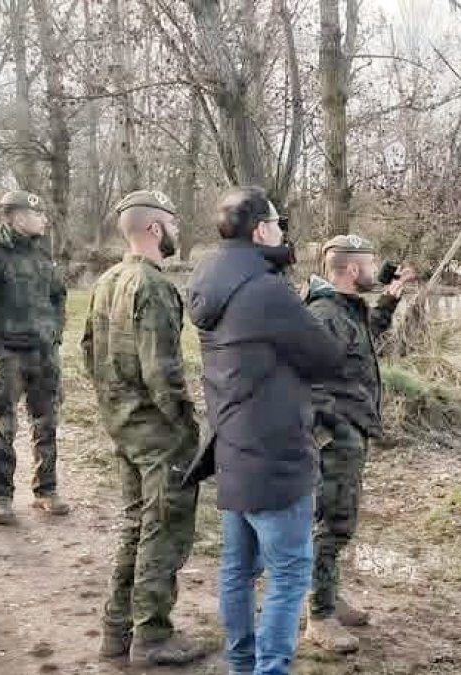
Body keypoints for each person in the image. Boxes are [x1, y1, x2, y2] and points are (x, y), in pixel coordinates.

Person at [183, 186, 343, 675]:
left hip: (232, 448)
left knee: (236, 571)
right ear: (260, 230)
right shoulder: (266, 290)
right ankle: (269, 670)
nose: (283, 231)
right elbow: (326, 359)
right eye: (278, 223)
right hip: (276, 458)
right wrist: (321, 302)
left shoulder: (207, 277)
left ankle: (241, 665)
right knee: (291, 574)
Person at [81, 190, 206, 667]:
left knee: (136, 524)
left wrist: (115, 408)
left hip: (123, 424)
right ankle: (151, 636)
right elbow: (163, 372)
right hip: (156, 432)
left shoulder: (108, 279)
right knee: (163, 528)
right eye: (173, 223)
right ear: (155, 228)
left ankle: (116, 630)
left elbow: (89, 353)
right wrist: (186, 426)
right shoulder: (152, 285)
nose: (178, 231)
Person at [301, 235, 416, 653]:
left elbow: (365, 337)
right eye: (370, 263)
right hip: (336, 435)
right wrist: (332, 430)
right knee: (332, 522)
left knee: (338, 520)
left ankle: (326, 595)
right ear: (351, 270)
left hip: (351, 429)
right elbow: (302, 379)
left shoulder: (345, 310)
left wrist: (390, 300)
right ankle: (319, 615)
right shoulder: (323, 315)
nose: (375, 268)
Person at [0, 191, 69, 526]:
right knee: (3, 427)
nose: (44, 220)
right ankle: (0, 498)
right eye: (38, 214)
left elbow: (58, 296)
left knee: (47, 423)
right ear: (17, 218)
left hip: (44, 355)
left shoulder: (40, 255)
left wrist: (55, 334)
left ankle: (46, 491)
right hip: (8, 358)